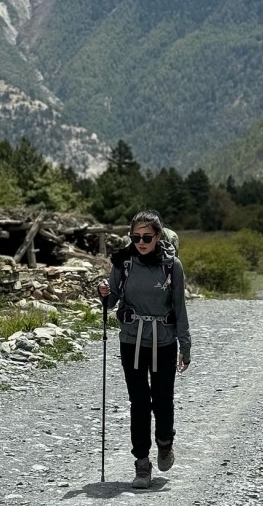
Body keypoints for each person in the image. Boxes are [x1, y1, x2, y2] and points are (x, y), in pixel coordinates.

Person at [98, 210, 191, 490]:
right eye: (136, 236)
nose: (141, 242)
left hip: (163, 341)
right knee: (139, 404)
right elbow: (113, 300)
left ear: (158, 236)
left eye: (147, 237)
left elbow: (180, 308)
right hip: (131, 341)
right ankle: (141, 463)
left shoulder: (172, 266)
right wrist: (104, 293)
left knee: (162, 400)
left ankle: (165, 443)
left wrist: (185, 345)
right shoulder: (122, 262)